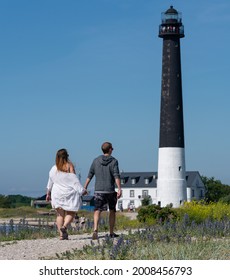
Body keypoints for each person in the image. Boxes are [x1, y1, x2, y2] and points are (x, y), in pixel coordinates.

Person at [83, 142, 122, 240]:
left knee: (97, 210)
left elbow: (90, 175)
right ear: (109, 150)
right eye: (112, 148)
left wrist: (85, 187)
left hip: (99, 190)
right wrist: (119, 188)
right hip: (110, 190)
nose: (112, 150)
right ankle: (111, 232)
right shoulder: (114, 161)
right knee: (112, 210)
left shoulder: (96, 160)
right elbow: (116, 175)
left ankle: (95, 229)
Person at [46, 148, 84, 240]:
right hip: (69, 192)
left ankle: (61, 235)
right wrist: (82, 190)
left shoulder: (53, 168)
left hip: (57, 193)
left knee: (59, 215)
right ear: (67, 156)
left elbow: (50, 182)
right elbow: (74, 180)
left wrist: (48, 193)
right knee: (71, 212)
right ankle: (65, 226)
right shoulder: (69, 166)